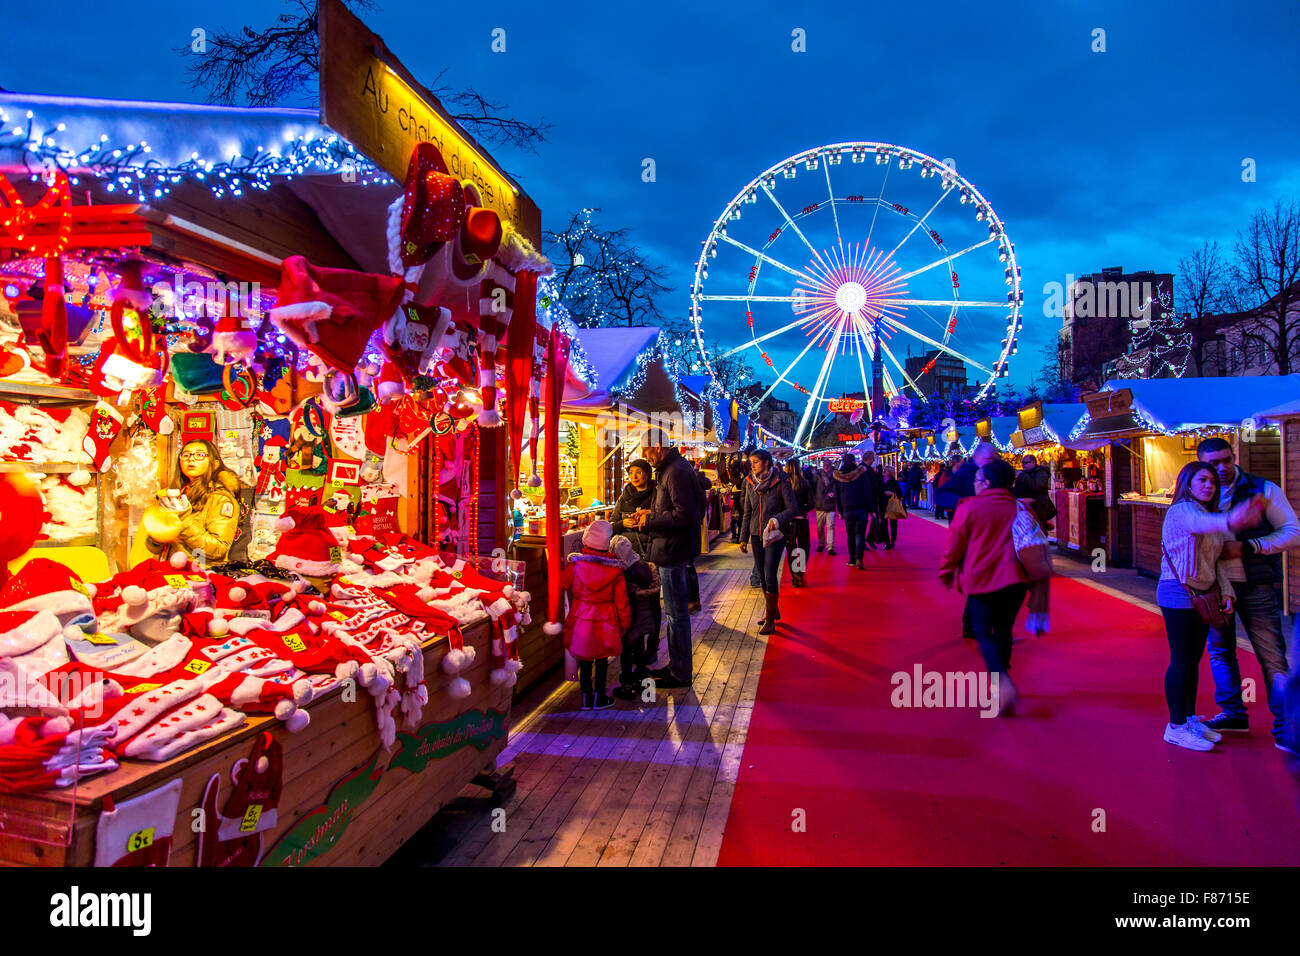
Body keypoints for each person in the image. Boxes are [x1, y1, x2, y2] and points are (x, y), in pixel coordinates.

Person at [1195, 437, 1300, 750]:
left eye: (1227, 459)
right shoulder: (1199, 491)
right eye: (1213, 463)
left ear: (1234, 456)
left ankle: (1288, 730)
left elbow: (1293, 531)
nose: (1222, 468)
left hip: (1256, 584)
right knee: (1220, 651)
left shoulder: (1262, 489)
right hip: (1216, 586)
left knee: (1271, 656)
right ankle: (1233, 713)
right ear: (1202, 464)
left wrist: (1253, 546)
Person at [1156, 461, 1266, 751]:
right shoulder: (1182, 511)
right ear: (1187, 484)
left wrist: (1227, 592)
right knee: (1181, 659)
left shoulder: (1209, 513)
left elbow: (1216, 561)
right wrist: (1232, 520)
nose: (1209, 485)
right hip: (1178, 593)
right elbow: (1201, 525)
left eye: (1213, 482)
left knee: (1192, 659)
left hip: (1204, 593)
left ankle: (1189, 718)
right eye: (1202, 480)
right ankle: (1175, 726)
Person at [937, 458, 1031, 716]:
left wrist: (947, 572)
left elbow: (954, 545)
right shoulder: (1020, 507)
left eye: (977, 480)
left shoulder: (971, 508)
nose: (974, 484)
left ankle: (1001, 682)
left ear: (987, 483)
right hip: (1017, 579)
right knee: (1004, 629)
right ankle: (1004, 679)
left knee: (982, 631)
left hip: (984, 578)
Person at [624, 429, 701, 690]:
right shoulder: (672, 469)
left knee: (676, 614)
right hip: (672, 548)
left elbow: (686, 514)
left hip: (673, 549)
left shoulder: (675, 471)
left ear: (658, 447)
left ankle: (680, 672)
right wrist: (651, 511)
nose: (647, 458)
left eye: (646, 452)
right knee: (674, 613)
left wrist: (651, 519)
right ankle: (677, 665)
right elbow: (675, 509)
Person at [560, 520, 630, 711]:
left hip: (581, 617)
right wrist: (625, 623)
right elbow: (622, 601)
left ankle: (585, 697)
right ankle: (599, 696)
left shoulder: (576, 566)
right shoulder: (615, 570)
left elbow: (562, 584)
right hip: (606, 620)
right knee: (601, 659)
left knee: (584, 660)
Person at [739, 449, 798, 634]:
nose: (752, 465)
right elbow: (747, 511)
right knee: (762, 577)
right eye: (751, 462)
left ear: (766, 462)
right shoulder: (749, 482)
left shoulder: (781, 480)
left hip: (774, 534)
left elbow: (793, 509)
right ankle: (771, 609)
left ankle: (770, 618)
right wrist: (743, 537)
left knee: (770, 573)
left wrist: (777, 519)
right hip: (756, 534)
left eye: (755, 462)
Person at [170, 438, 242, 563]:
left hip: (204, 573)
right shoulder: (179, 493)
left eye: (199, 455)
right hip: (175, 570)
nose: (190, 459)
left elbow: (218, 548)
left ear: (214, 464)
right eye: (186, 455)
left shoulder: (220, 499)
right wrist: (159, 536)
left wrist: (184, 520)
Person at [610, 535, 660, 702]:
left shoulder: (624, 577)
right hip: (645, 622)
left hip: (629, 622)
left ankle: (628, 685)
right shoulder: (646, 570)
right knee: (640, 650)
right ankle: (644, 686)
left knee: (626, 652)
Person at [833, 452, 875, 570]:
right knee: (860, 535)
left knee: (850, 534)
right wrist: (871, 509)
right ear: (853, 462)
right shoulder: (861, 473)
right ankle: (859, 559)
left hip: (847, 508)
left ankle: (852, 559)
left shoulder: (839, 477)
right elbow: (867, 491)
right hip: (861, 507)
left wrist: (840, 510)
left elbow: (837, 495)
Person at [610, 458, 656, 556]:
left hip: (650, 551)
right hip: (626, 553)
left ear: (647, 474)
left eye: (638, 472)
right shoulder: (624, 497)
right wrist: (623, 524)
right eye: (630, 473)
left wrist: (647, 518)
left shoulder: (657, 494)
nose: (634, 476)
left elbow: (663, 518)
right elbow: (612, 524)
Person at [685, 462, 711, 614]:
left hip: (688, 530)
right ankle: (694, 600)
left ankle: (691, 600)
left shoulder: (691, 486)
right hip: (694, 529)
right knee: (690, 566)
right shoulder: (699, 484)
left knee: (688, 567)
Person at [783, 460, 813, 586]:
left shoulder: (784, 483)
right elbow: (811, 503)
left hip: (789, 519)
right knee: (803, 547)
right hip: (801, 518)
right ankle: (800, 571)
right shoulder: (804, 483)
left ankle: (795, 575)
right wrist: (803, 509)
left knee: (791, 547)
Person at [1012, 453, 1056, 533]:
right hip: (1025, 508)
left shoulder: (1041, 473)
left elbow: (1037, 486)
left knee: (1039, 529)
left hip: (1038, 507)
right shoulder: (1024, 474)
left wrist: (1023, 476)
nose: (1023, 465)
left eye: (1026, 463)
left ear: (1033, 462)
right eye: (1022, 463)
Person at [812, 458, 838, 555]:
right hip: (820, 504)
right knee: (820, 527)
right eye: (825, 464)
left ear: (831, 465)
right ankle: (821, 543)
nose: (826, 466)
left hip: (830, 504)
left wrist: (834, 494)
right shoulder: (817, 476)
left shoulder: (835, 475)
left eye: (828, 464)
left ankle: (830, 546)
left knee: (830, 526)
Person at [881, 466, 905, 550]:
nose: (884, 472)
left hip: (892, 504)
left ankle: (893, 540)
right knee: (884, 524)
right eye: (884, 470)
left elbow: (900, 494)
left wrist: (892, 493)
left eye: (886, 471)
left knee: (893, 523)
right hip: (882, 503)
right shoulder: (880, 481)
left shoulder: (894, 482)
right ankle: (886, 542)